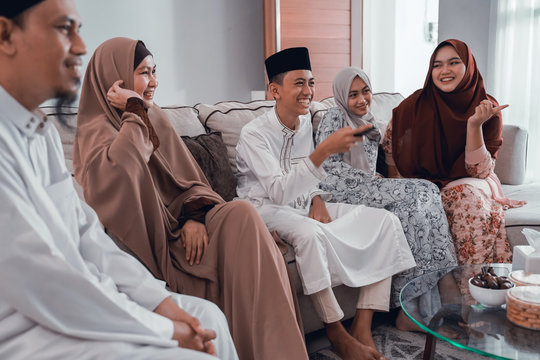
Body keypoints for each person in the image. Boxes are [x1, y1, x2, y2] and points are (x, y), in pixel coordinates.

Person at [0, 1, 237, 359]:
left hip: (77, 299)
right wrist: (164, 329)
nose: (81, 46)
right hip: (29, 327)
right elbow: (44, 279)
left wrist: (161, 303)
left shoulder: (40, 135)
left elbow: (86, 236)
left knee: (208, 318)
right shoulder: (93, 130)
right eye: (65, 29)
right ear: (6, 35)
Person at [73, 37, 308, 360]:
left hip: (186, 225)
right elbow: (121, 178)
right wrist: (134, 110)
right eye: (144, 72)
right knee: (245, 225)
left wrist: (193, 217)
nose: (154, 82)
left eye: (155, 71)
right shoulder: (97, 131)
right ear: (114, 79)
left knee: (242, 214)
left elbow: (190, 181)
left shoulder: (153, 117)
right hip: (155, 243)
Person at [236, 47, 416, 360]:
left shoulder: (304, 123)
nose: (308, 92)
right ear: (274, 90)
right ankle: (336, 332)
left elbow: (307, 179)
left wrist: (318, 197)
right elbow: (278, 191)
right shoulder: (254, 134)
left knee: (386, 221)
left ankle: (362, 324)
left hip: (303, 204)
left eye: (311, 82)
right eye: (299, 84)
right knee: (310, 234)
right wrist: (324, 151)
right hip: (264, 209)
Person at [315, 67, 458, 330]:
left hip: (365, 187)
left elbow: (369, 166)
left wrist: (376, 178)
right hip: (339, 190)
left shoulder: (367, 123)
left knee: (415, 203)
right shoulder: (334, 116)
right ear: (340, 97)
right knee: (423, 189)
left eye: (365, 91)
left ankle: (415, 307)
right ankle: (443, 288)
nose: (361, 99)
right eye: (352, 94)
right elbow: (327, 166)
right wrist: (370, 181)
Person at [382, 39, 526, 266]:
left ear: (468, 66)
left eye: (453, 62)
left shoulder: (487, 107)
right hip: (424, 184)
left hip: (470, 180)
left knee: (463, 197)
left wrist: (474, 125)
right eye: (437, 65)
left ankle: (475, 289)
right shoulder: (413, 107)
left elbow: (479, 171)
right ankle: (441, 290)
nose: (444, 71)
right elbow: (392, 149)